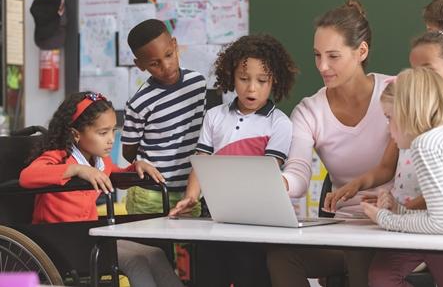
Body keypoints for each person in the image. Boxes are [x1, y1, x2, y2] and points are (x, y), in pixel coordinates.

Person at [266, 0, 395, 287]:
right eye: (317, 55)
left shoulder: (396, 93)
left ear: (361, 51)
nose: (322, 66)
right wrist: (283, 183)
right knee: (282, 255)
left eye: (333, 56)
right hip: (343, 232)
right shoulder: (309, 110)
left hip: (395, 228)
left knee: (361, 257)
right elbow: (298, 170)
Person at [170, 34, 298, 287]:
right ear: (230, 76)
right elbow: (202, 159)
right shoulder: (214, 116)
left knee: (249, 275)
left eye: (262, 81)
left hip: (256, 222)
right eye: (243, 79)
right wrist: (191, 196)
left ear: (275, 81)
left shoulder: (279, 123)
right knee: (207, 276)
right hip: (212, 216)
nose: (252, 88)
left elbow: (268, 173)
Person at [20, 92, 184, 287]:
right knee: (135, 261)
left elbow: (115, 175)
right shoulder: (60, 156)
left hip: (91, 234)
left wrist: (136, 168)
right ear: (76, 134)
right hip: (60, 240)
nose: (111, 139)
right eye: (103, 132)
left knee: (155, 254)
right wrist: (77, 170)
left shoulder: (101, 161)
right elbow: (27, 176)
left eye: (113, 130)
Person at [361, 67, 443, 287]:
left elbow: (442, 222)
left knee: (382, 277)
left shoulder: (426, 145)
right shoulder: (438, 138)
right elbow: (439, 208)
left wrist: (384, 218)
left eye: (389, 118)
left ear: (409, 111)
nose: (388, 129)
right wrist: (398, 208)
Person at [121, 19, 206, 215]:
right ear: (140, 65)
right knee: (150, 246)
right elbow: (129, 152)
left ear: (175, 45)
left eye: (169, 55)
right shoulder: (140, 102)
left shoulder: (198, 84)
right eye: (154, 63)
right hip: (149, 194)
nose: (166, 66)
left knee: (188, 245)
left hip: (189, 191)